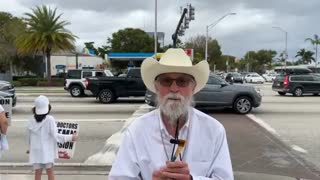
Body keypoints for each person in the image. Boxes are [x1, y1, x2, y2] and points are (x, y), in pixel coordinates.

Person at [109, 48, 233, 179]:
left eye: (182, 81)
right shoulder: (137, 130)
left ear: (193, 87)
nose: (174, 89)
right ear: (156, 87)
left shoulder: (214, 130)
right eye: (166, 81)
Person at [27, 95, 78, 180]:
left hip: (35, 150)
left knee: (37, 173)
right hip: (46, 151)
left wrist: (30, 148)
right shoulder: (49, 119)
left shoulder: (31, 119)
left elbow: (28, 136)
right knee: (50, 172)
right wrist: (70, 137)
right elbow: (56, 136)